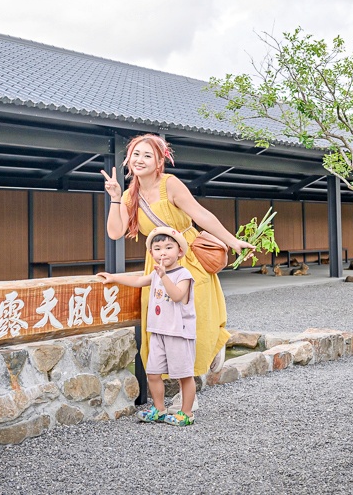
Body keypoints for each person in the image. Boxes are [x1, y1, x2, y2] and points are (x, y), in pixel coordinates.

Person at [101, 134, 253, 379]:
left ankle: (209, 351)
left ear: (159, 161)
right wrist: (115, 197)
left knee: (195, 313)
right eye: (136, 154)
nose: (140, 160)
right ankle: (173, 378)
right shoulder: (129, 196)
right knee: (162, 320)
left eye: (147, 155)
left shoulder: (169, 184)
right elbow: (115, 232)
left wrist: (231, 240)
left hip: (187, 254)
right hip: (159, 261)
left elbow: (200, 215)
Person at [98, 226, 197, 426]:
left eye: (169, 247)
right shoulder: (155, 275)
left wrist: (163, 276)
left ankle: (186, 413)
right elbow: (137, 280)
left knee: (184, 375)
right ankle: (159, 409)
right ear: (151, 253)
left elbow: (177, 296)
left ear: (179, 251)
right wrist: (114, 277)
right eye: (158, 248)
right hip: (158, 331)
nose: (163, 252)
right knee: (153, 373)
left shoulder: (183, 274)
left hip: (178, 333)